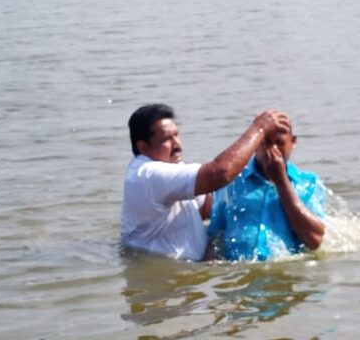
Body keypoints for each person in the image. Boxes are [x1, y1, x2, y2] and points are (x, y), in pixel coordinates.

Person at [121, 104, 290, 261]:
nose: (177, 144)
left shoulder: (171, 170)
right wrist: (260, 128)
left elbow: (208, 208)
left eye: (176, 135)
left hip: (187, 271)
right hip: (161, 275)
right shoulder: (148, 174)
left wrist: (263, 186)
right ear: (143, 147)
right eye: (166, 139)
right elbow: (220, 173)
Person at [208, 126, 326, 261]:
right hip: (238, 269)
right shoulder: (232, 181)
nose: (272, 150)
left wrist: (281, 180)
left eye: (279, 143)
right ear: (254, 144)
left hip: (285, 269)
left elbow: (315, 241)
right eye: (266, 143)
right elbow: (215, 236)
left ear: (293, 142)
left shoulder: (307, 184)